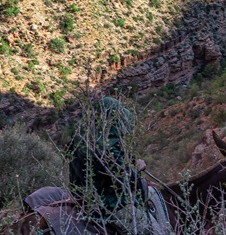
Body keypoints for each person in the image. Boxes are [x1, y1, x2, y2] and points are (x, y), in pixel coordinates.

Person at [70, 97, 168, 234]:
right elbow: (124, 181)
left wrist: (129, 160)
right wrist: (136, 169)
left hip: (84, 198)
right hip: (110, 204)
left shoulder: (83, 136)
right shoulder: (104, 148)